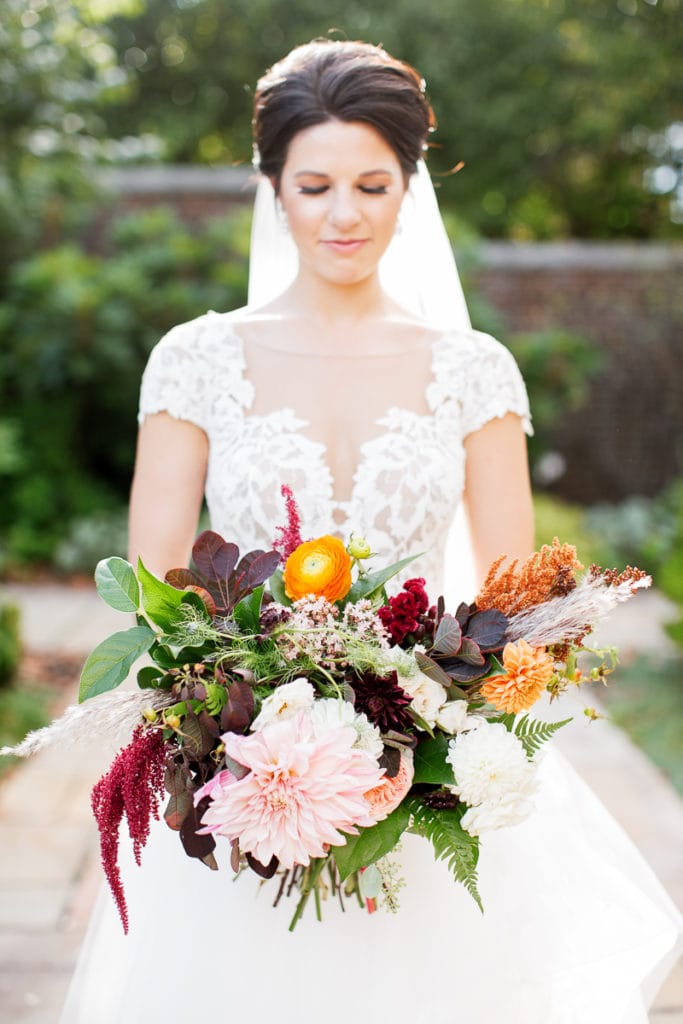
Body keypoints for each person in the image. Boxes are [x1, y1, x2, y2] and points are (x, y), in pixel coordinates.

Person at [60, 40, 681, 1023]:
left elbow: (517, 609)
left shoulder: (472, 369)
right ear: (272, 188)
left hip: (427, 774)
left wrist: (424, 729)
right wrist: (243, 731)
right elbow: (154, 595)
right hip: (246, 773)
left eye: (369, 184)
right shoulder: (196, 361)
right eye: (312, 185)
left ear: (409, 187)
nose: (342, 215)